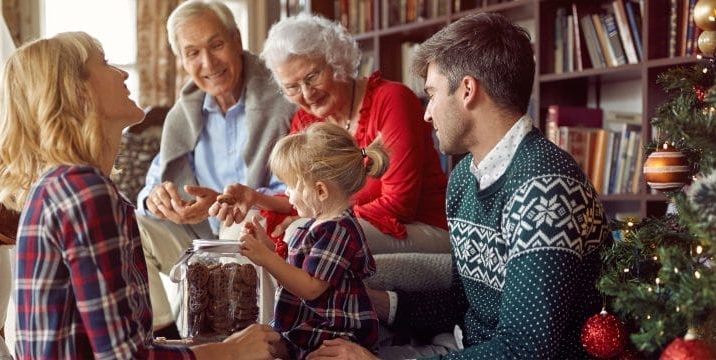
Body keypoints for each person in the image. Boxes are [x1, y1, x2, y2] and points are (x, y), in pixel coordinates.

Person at [308, 13, 609, 359]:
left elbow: (526, 350)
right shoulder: (465, 176)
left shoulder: (545, 188)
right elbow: (464, 300)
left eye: (432, 94)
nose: (426, 113)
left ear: (467, 90)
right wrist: (378, 303)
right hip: (462, 345)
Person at [0, 31, 281, 359]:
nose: (123, 73)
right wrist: (232, 352)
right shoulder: (86, 193)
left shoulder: (62, 185)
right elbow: (124, 358)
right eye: (105, 64)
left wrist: (216, 347)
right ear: (78, 91)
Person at [210, 13, 450, 256]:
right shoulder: (305, 120)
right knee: (242, 228)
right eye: (292, 87)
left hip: (417, 227)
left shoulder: (392, 100)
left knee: (302, 234)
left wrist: (314, 222)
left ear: (337, 61)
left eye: (312, 77)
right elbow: (303, 195)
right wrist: (253, 198)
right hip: (349, 222)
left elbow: (399, 205)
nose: (306, 93)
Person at [135, 0, 297, 334]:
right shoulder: (184, 114)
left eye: (216, 45)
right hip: (198, 243)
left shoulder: (283, 99)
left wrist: (237, 201)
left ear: (237, 40)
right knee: (131, 225)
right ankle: (166, 338)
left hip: (256, 234)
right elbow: (153, 185)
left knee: (241, 226)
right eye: (192, 52)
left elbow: (299, 188)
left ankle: (245, 340)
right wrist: (158, 200)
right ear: (182, 60)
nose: (207, 62)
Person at [239, 122, 386, 359]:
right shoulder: (313, 225)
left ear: (320, 191)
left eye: (290, 185)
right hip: (302, 328)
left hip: (333, 335)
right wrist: (268, 247)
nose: (286, 193)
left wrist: (266, 258)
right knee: (255, 342)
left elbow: (310, 288)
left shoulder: (339, 230)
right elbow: (297, 272)